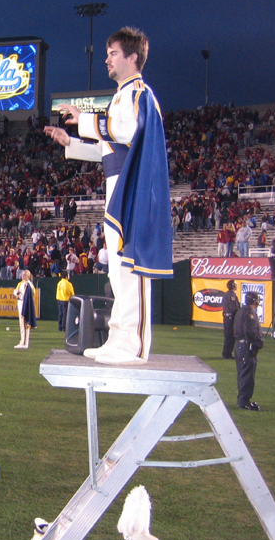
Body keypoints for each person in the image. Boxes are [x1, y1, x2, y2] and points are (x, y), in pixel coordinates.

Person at [44, 26, 173, 364]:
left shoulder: (139, 94)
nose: (107, 59)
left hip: (134, 188)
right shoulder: (121, 97)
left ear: (132, 57)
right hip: (117, 184)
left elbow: (129, 131)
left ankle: (135, 345)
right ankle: (119, 338)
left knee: (132, 267)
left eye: (113, 53)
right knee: (118, 270)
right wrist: (70, 142)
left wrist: (85, 119)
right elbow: (108, 148)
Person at [233, 291, 263, 411]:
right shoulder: (249, 313)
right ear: (255, 300)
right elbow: (250, 332)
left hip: (240, 346)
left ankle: (243, 399)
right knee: (247, 375)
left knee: (243, 374)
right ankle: (244, 401)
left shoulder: (241, 311)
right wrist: (258, 342)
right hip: (246, 347)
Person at [14, 270, 37, 349]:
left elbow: (32, 293)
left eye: (25, 274)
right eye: (23, 274)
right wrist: (16, 293)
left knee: (25, 322)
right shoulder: (20, 283)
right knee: (23, 323)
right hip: (20, 302)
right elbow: (16, 291)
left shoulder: (29, 284)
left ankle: (24, 342)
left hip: (25, 303)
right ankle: (23, 341)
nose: (23, 275)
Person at [221, 279, 240, 359]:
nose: (237, 285)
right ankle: (227, 353)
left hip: (228, 317)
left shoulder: (227, 294)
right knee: (230, 336)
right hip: (230, 318)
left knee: (229, 336)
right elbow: (234, 308)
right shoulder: (231, 295)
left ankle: (227, 353)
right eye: (236, 284)